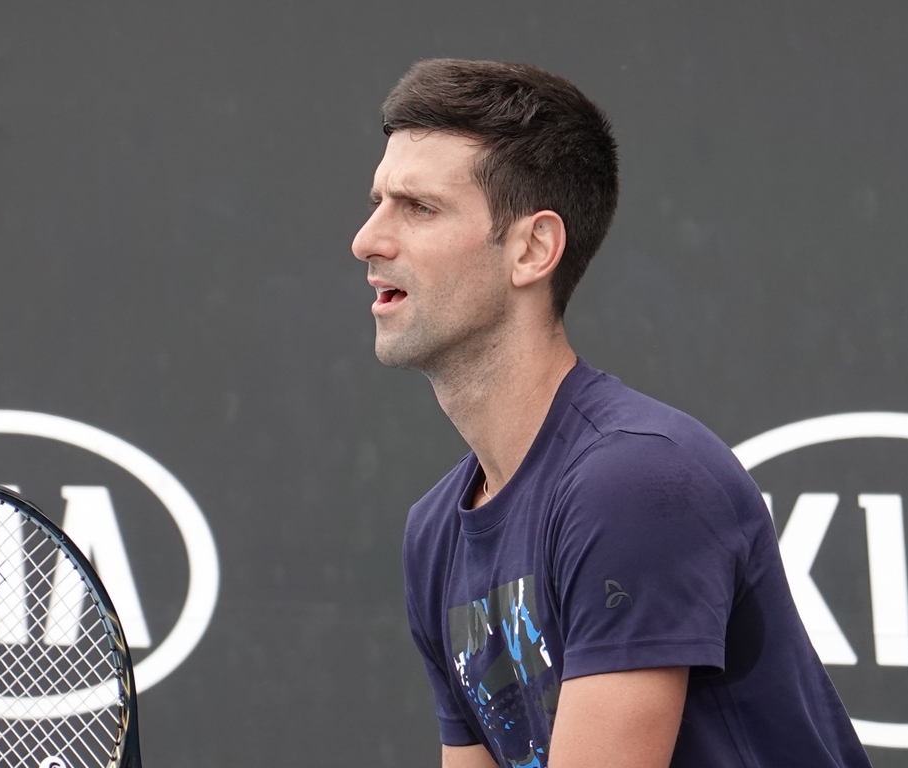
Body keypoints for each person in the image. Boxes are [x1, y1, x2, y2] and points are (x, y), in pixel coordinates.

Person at [352, 58, 872, 768]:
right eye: (378, 202)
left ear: (533, 249)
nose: (369, 240)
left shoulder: (634, 481)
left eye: (419, 208)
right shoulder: (436, 533)